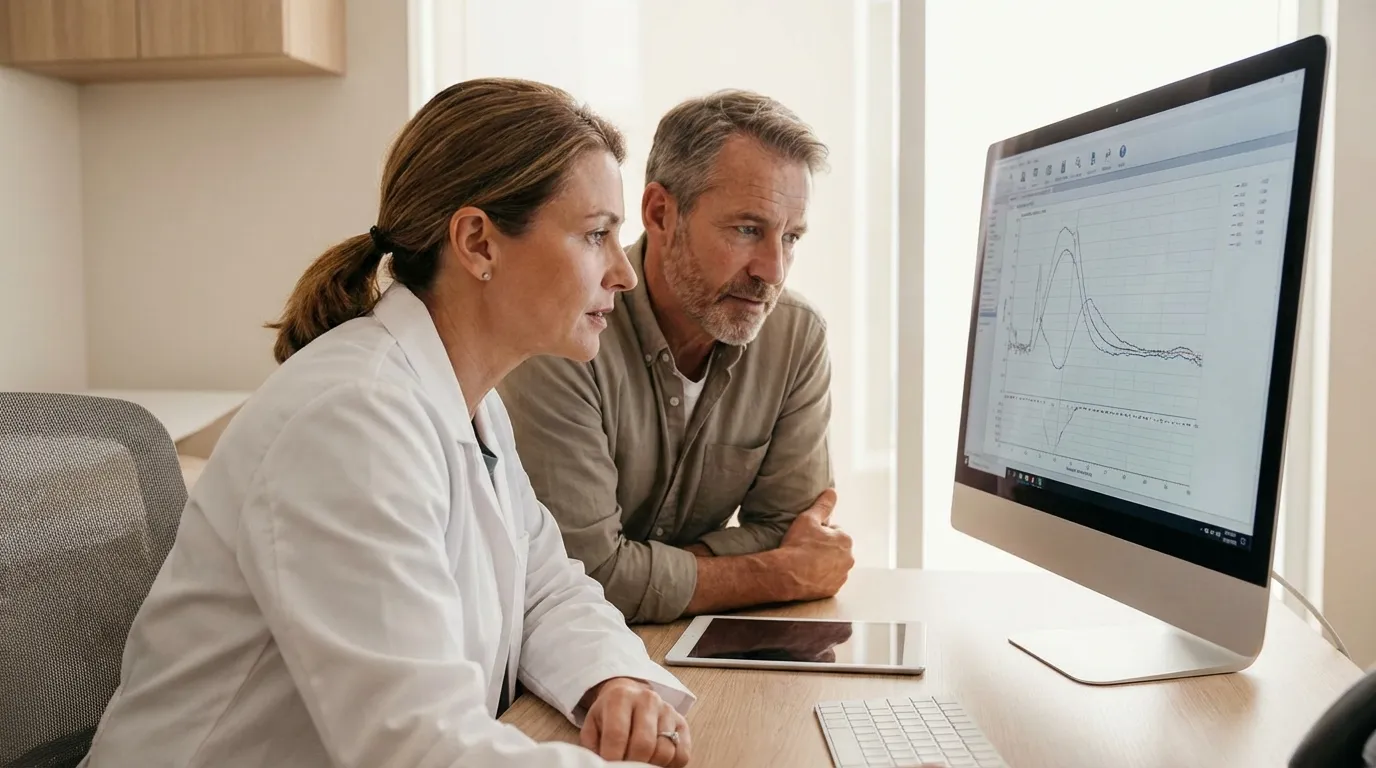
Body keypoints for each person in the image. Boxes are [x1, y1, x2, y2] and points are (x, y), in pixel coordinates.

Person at [78, 78, 695, 768]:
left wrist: (612, 677)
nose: (624, 273)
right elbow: (412, 744)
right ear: (478, 243)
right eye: (596, 236)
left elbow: (544, 587)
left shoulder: (472, 402)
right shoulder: (351, 419)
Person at [499, 90, 854, 626]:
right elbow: (585, 575)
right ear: (661, 212)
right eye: (747, 230)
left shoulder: (795, 337)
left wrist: (648, 572)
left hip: (679, 648)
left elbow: (791, 531)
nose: (774, 270)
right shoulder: (565, 332)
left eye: (792, 237)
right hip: (559, 664)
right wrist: (775, 574)